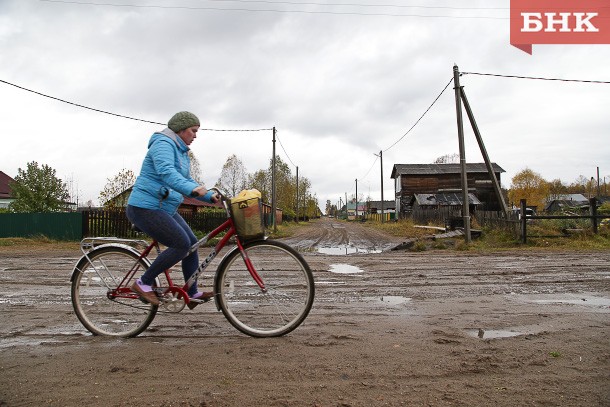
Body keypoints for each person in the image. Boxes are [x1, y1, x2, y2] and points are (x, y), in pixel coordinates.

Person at [126, 111, 218, 309]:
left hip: (164, 207)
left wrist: (208, 195)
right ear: (182, 129)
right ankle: (143, 282)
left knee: (192, 243)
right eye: (193, 131)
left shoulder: (181, 151)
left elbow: (185, 180)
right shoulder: (163, 143)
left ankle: (191, 292)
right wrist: (191, 189)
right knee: (181, 244)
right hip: (145, 206)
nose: (195, 135)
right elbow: (167, 173)